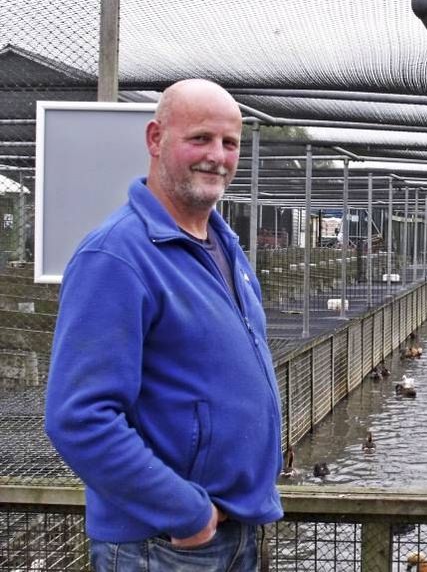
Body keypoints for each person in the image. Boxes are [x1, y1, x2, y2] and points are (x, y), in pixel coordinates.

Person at [45, 79, 283, 571]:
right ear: (156, 139)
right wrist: (186, 513)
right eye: (200, 138)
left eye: (229, 142)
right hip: (163, 545)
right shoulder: (116, 256)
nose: (217, 156)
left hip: (234, 528)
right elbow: (79, 418)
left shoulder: (226, 247)